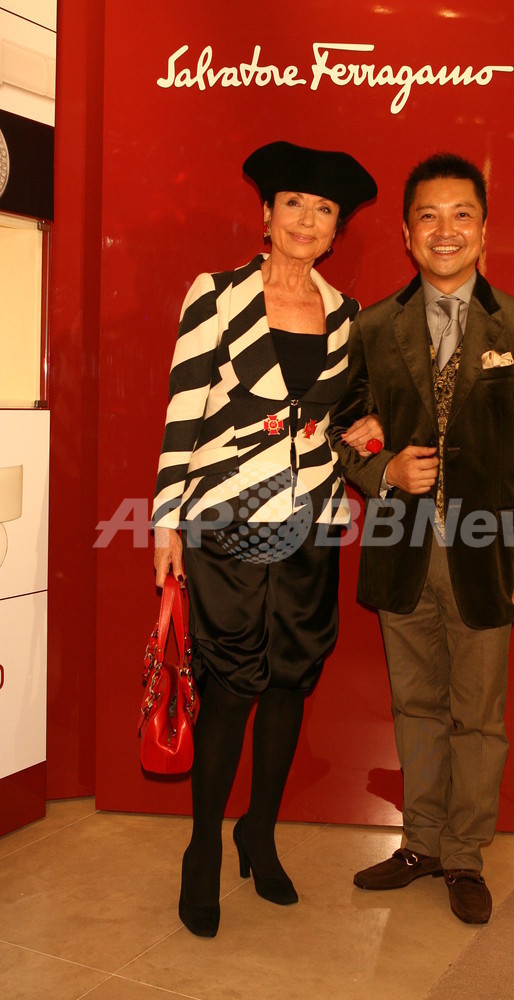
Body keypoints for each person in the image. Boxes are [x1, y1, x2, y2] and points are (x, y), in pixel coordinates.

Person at [331, 153, 514, 925]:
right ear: (406, 233)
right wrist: (383, 471)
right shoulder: (372, 328)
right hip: (400, 550)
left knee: (479, 718)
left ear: (483, 228)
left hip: (488, 556)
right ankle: (420, 844)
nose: (444, 229)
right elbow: (339, 434)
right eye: (427, 216)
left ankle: (464, 855)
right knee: (415, 708)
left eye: (460, 213)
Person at [152, 140, 377, 937]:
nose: (306, 220)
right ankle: (203, 849)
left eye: (323, 211)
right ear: (266, 214)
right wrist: (166, 520)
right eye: (294, 205)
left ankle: (259, 832)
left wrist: (365, 428)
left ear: (336, 229)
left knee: (289, 679)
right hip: (225, 516)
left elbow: (346, 413)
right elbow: (183, 407)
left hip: (313, 519)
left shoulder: (346, 315)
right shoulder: (216, 295)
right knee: (232, 682)